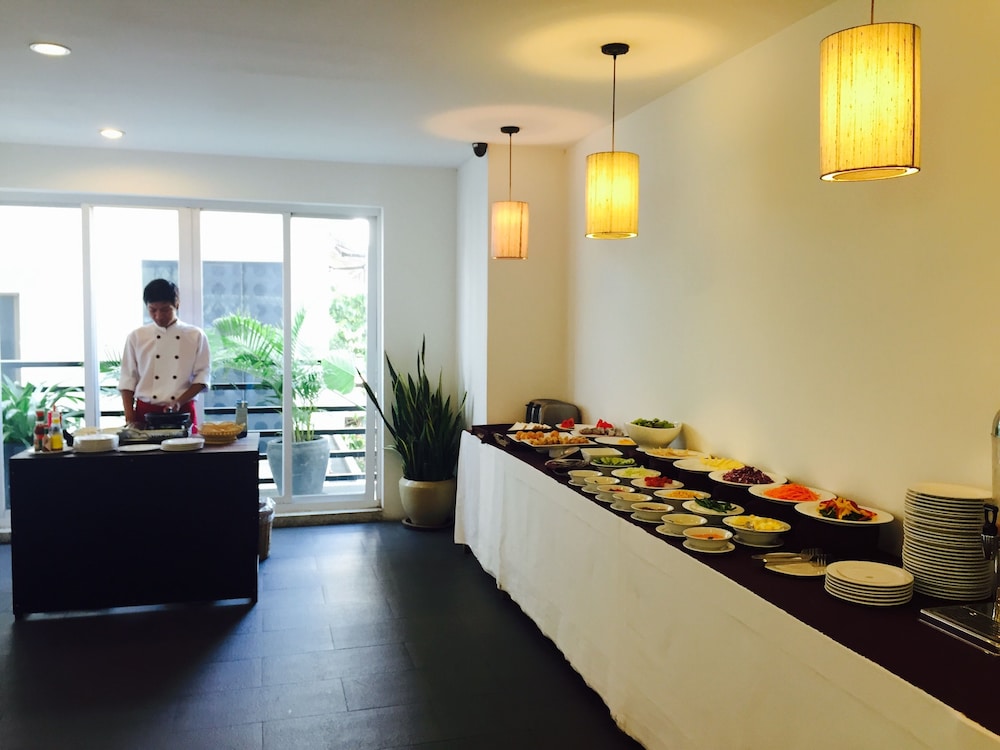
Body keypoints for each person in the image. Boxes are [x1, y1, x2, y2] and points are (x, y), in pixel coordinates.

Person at [119, 279, 211, 430]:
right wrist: (130, 419)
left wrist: (179, 402)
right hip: (145, 413)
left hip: (182, 413)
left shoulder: (195, 336)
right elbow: (127, 380)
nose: (158, 316)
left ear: (177, 304)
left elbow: (202, 377)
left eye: (165, 310)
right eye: (152, 310)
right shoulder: (136, 336)